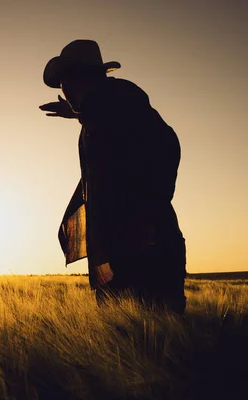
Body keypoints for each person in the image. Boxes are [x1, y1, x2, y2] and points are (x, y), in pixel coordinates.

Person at [40, 39, 186, 314]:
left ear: (80, 78)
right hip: (120, 251)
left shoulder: (119, 104)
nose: (64, 91)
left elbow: (166, 147)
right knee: (133, 343)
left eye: (64, 83)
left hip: (141, 250)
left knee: (149, 343)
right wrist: (75, 114)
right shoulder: (107, 108)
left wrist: (146, 218)